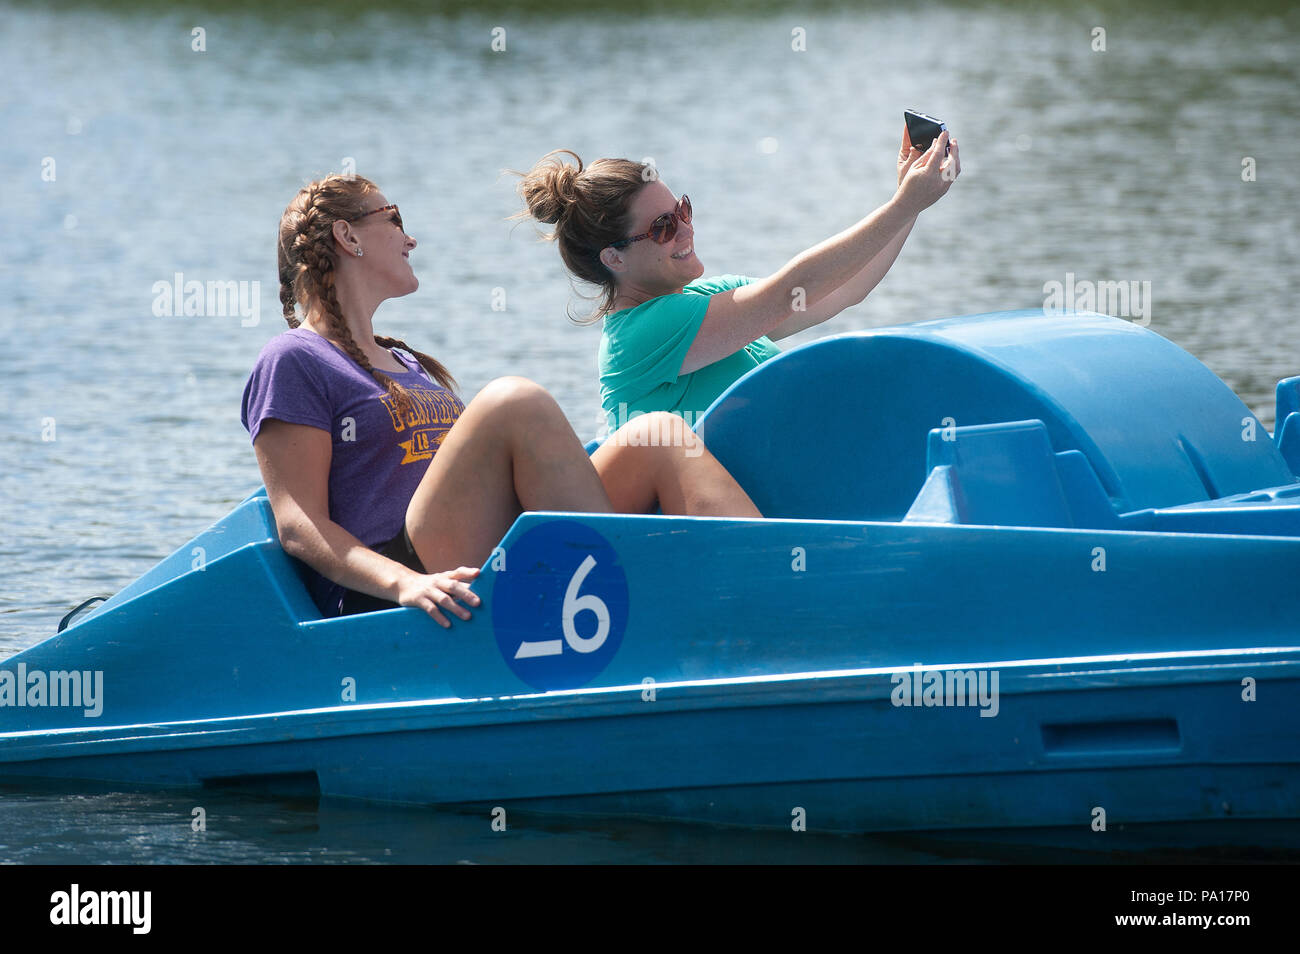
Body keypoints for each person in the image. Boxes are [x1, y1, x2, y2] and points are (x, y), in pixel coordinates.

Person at [242, 174, 760, 625]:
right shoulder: (295, 359)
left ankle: (772, 583)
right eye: (394, 219)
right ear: (347, 235)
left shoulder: (408, 363)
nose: (411, 238)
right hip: (407, 581)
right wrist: (404, 584)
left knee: (656, 435)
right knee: (514, 402)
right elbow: (298, 523)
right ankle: (642, 608)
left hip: (475, 544)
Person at [515, 126, 961, 432]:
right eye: (663, 227)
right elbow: (789, 292)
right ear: (614, 257)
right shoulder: (639, 333)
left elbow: (843, 288)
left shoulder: (707, 298)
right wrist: (902, 205)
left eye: (683, 210)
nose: (686, 229)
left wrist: (911, 201)